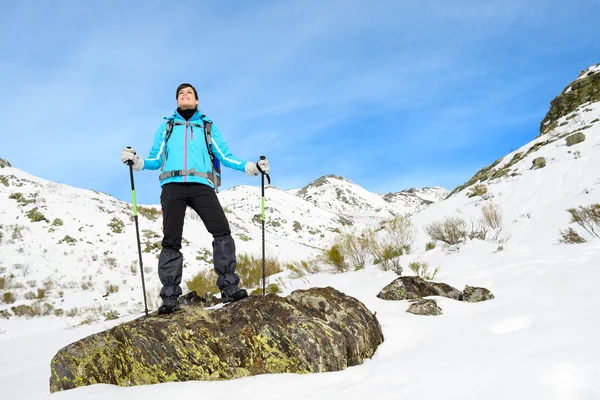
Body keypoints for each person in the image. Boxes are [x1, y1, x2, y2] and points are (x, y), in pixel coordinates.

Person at [120, 83, 269, 314]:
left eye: (189, 93)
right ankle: (170, 297)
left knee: (221, 230)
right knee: (171, 239)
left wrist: (251, 167)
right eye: (181, 94)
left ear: (196, 100)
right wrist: (137, 161)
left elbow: (224, 155)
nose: (185, 95)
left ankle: (229, 287)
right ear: (177, 101)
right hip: (172, 186)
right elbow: (155, 158)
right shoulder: (167, 126)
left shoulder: (207, 126)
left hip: (202, 185)